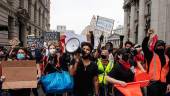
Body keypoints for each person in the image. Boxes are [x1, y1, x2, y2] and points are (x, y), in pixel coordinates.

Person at [142, 30, 169, 96]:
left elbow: (168, 72)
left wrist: (168, 83)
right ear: (155, 47)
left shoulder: (167, 58)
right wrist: (148, 36)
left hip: (163, 84)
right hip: (152, 84)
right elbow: (144, 46)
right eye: (159, 46)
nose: (161, 47)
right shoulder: (150, 55)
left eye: (162, 46)